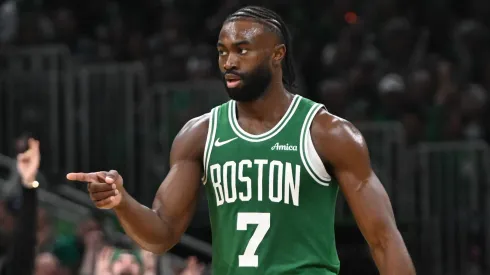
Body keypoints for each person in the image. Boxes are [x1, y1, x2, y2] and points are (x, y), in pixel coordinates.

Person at [67, 6, 416, 275]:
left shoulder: (328, 133)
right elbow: (162, 234)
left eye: (242, 50)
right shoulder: (199, 135)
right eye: (222, 51)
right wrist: (122, 202)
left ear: (277, 54)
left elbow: (384, 239)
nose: (229, 62)